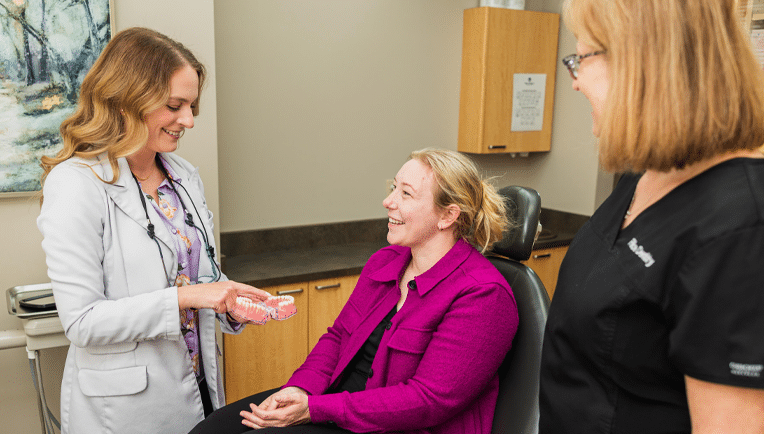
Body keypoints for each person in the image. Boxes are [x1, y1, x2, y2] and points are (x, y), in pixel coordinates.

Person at [540, 0, 764, 433]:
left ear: (641, 60)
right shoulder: (644, 176)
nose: (574, 83)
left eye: (582, 58)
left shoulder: (745, 227)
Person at [37, 27, 269, 433]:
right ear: (128, 100)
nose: (189, 121)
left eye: (192, 105)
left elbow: (199, 275)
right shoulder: (77, 183)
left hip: (197, 382)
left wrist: (231, 299)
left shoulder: (182, 176)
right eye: (175, 105)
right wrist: (189, 296)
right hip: (126, 407)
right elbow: (82, 322)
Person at [190, 148, 519, 434]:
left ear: (448, 215)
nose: (388, 201)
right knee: (212, 429)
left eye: (405, 194)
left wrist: (316, 409)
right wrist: (300, 389)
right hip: (335, 406)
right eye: (393, 188)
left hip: (397, 427)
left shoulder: (483, 295)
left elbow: (427, 400)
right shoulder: (386, 262)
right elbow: (338, 337)